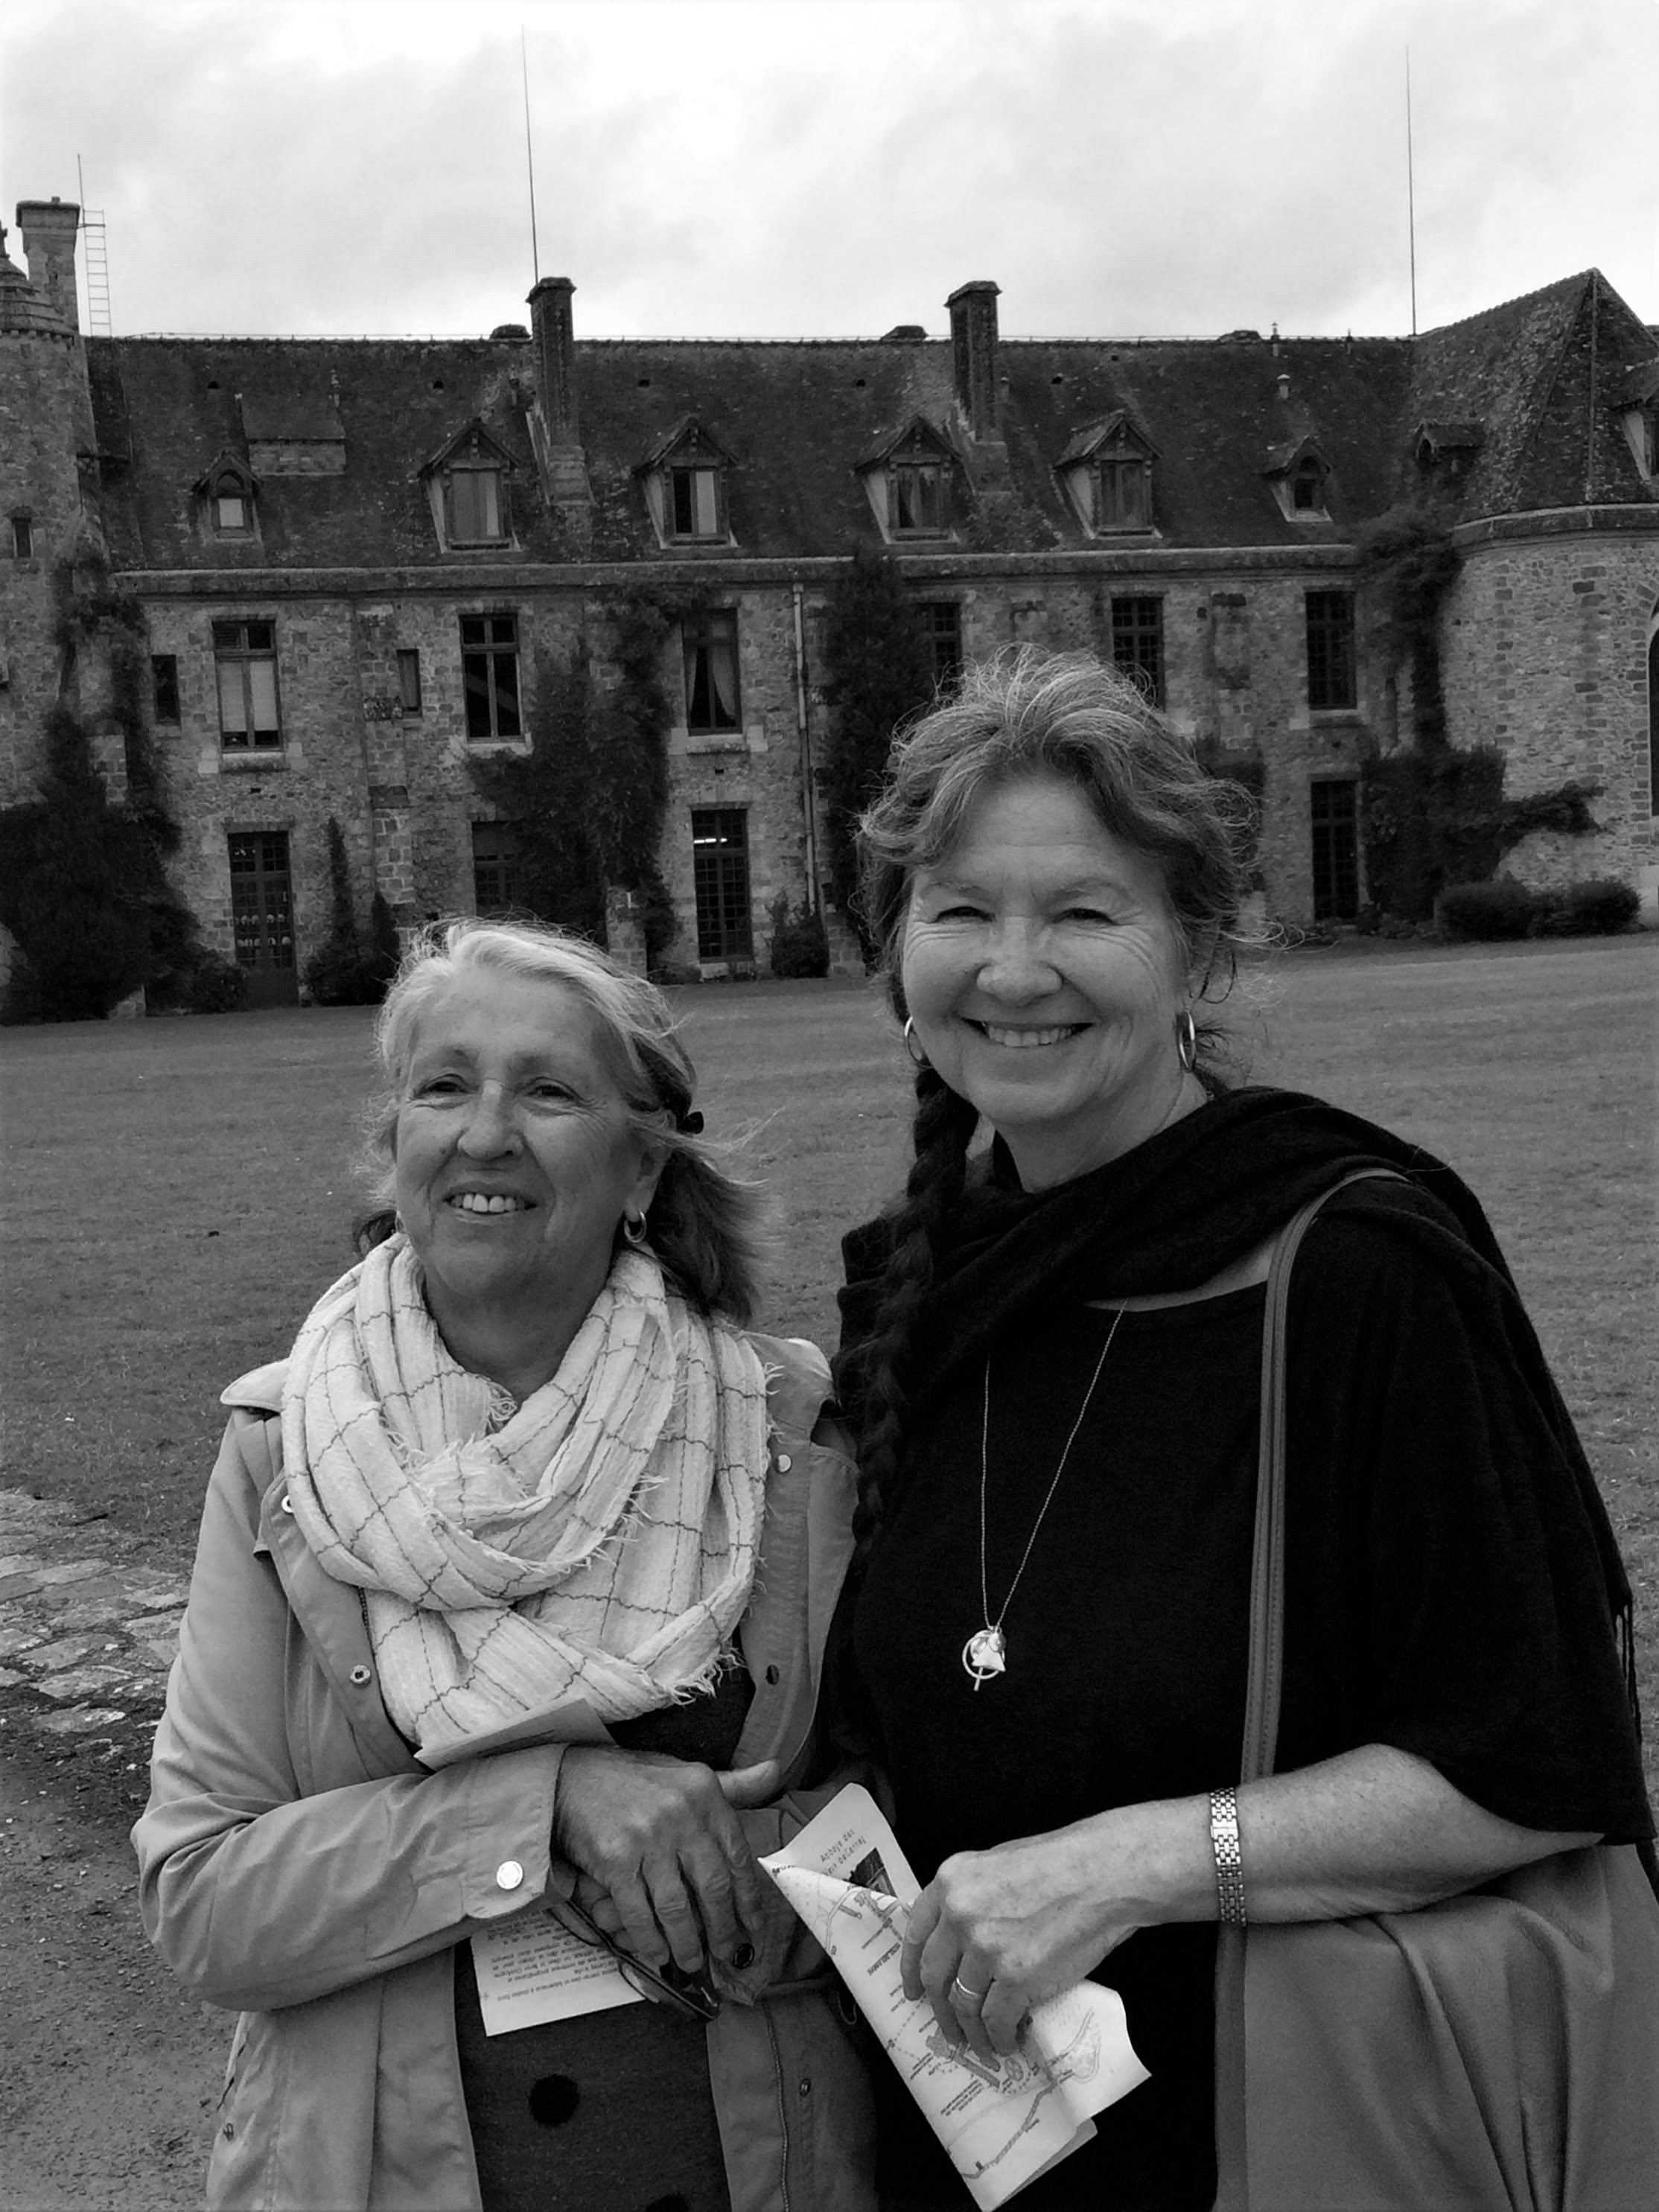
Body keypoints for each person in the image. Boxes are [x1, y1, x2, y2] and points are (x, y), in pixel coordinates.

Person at [829, 649, 1654, 2211]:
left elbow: (1533, 1763)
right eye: (960, 911)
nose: (1014, 969)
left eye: (1084, 913)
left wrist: (1126, 1864)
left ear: (1199, 950)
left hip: (1295, 2149)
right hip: (969, 2157)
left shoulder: (1354, 1270)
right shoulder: (918, 1291)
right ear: (898, 952)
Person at [134, 919, 875, 2212]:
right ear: (397, 1144)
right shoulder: (281, 1452)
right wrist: (543, 1809)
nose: (486, 1133)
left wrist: (727, 1894)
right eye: (443, 1086)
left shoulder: (786, 1430)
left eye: (547, 1091)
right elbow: (206, 1902)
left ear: (643, 1163)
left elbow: (903, 1817)